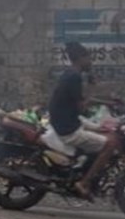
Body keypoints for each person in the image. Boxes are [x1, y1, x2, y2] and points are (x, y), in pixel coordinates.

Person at [48, 41, 119, 199]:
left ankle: (84, 167)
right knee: (110, 144)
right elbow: (82, 106)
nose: (91, 62)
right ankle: (83, 182)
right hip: (68, 128)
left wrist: (109, 102)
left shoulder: (70, 74)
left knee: (104, 130)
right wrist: (93, 88)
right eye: (89, 58)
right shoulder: (75, 77)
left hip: (68, 120)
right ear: (80, 58)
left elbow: (80, 102)